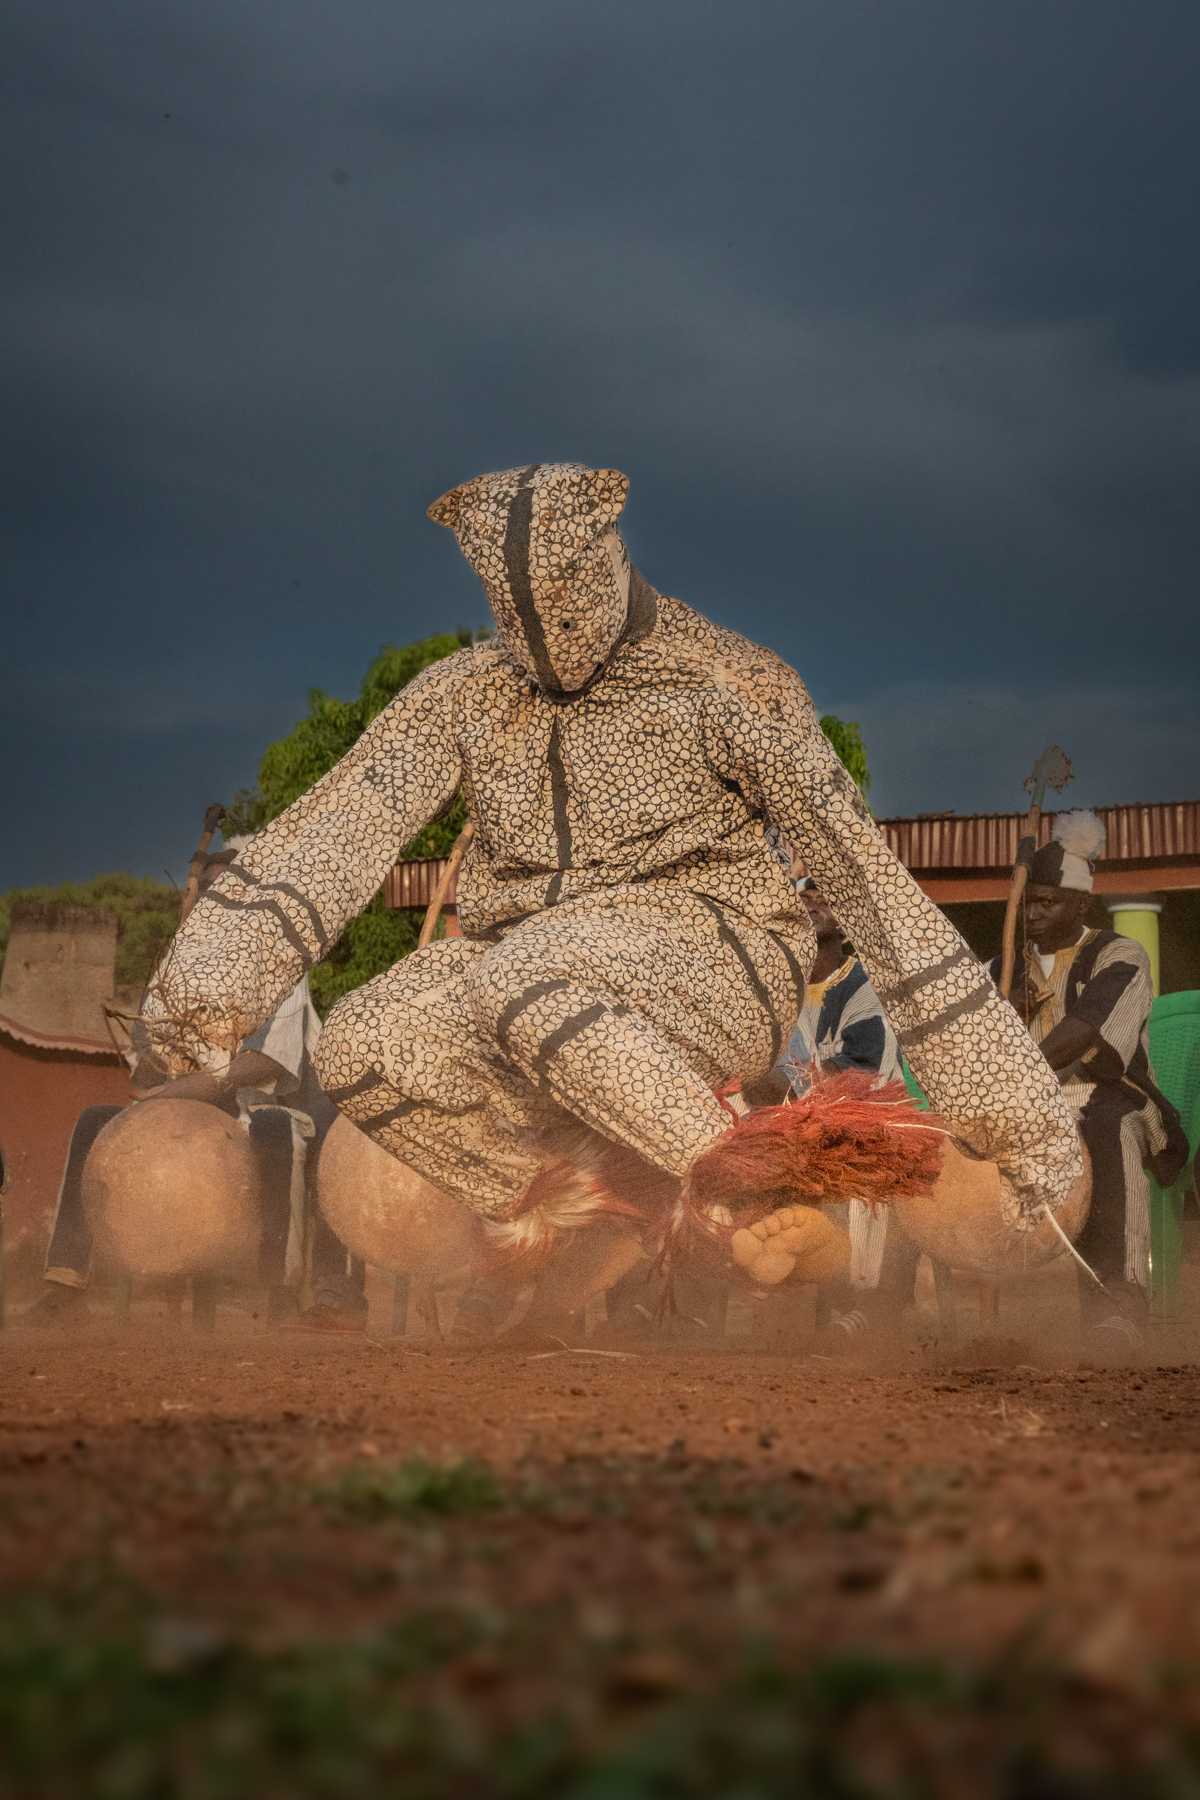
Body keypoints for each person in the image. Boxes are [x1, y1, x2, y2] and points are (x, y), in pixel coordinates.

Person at [142, 462, 1081, 1288]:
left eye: (560, 599)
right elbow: (338, 831)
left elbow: (870, 884)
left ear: (607, 557)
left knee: (526, 974)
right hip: (531, 982)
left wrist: (1011, 1104)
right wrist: (198, 1000)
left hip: (715, 954)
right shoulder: (465, 693)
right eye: (514, 611)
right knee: (363, 1041)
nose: (542, 635)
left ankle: (750, 1199)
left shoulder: (727, 682)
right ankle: (596, 1203)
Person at [18, 851, 364, 1332]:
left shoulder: (280, 962)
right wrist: (167, 1065)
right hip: (185, 1111)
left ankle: (276, 1293)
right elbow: (144, 1070)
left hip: (269, 1107)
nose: (218, 902)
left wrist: (199, 1081)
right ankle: (66, 1285)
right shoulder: (173, 970)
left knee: (274, 1129)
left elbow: (263, 1063)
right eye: (209, 892)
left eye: (230, 891)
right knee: (95, 1120)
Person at [990, 811, 1187, 1343]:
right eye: (1026, 903)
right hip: (1020, 1110)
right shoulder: (1001, 969)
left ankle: (1117, 1303)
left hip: (1109, 1094)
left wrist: (1017, 1056)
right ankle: (885, 1307)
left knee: (1105, 1129)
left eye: (1046, 902)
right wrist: (1002, 1007)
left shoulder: (1120, 954)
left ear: (1081, 903)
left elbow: (1084, 1037)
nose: (1032, 914)